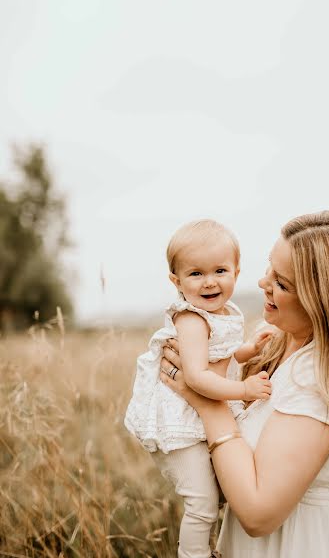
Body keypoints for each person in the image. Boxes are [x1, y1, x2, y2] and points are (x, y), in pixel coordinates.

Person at [161, 210, 329, 558]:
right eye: (269, 267)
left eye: (283, 283)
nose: (263, 283)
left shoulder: (323, 380)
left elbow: (258, 513)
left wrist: (206, 399)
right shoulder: (278, 342)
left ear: (328, 303)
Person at [124, 219, 272, 558]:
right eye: (195, 274)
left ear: (236, 271)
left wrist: (250, 348)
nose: (209, 282)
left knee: (222, 493)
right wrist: (245, 390)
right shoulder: (191, 319)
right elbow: (196, 377)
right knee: (202, 502)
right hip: (181, 425)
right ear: (176, 281)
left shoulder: (225, 312)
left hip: (200, 420)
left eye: (220, 270)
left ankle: (212, 549)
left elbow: (222, 355)